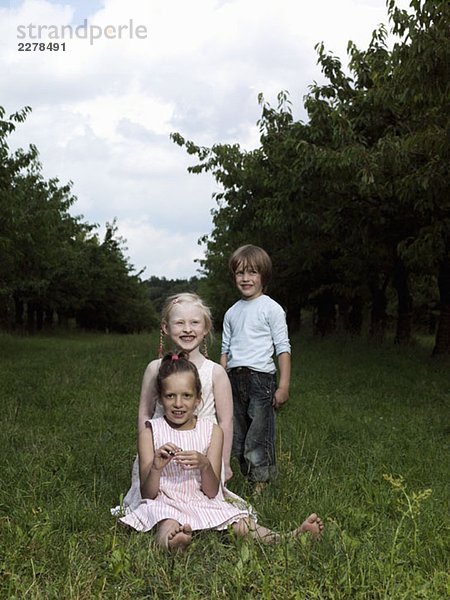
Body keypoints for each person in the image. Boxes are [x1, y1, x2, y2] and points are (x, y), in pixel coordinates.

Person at [119, 353, 323, 551]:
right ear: (160, 399)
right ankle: (172, 542)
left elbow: (211, 491)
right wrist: (156, 467)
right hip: (164, 500)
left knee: (241, 523)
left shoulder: (211, 432)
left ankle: (287, 539)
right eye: (170, 396)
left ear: (198, 399)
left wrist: (205, 464)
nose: (179, 404)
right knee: (166, 521)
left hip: (201, 499)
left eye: (186, 396)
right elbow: (148, 493)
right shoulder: (150, 432)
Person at [113, 293, 233, 515]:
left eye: (195, 323)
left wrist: (224, 461)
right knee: (156, 503)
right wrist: (145, 454)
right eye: (180, 323)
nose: (187, 329)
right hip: (162, 452)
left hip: (204, 451)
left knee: (208, 502)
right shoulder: (154, 368)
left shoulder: (215, 372)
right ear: (165, 328)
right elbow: (144, 413)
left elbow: (225, 420)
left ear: (205, 328)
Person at [220, 245, 291, 490]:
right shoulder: (231, 312)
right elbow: (225, 351)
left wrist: (283, 386)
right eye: (240, 273)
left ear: (263, 275)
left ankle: (261, 484)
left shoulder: (271, 308)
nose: (246, 278)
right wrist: (218, 381)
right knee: (238, 435)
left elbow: (283, 348)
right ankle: (247, 476)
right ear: (234, 277)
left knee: (258, 434)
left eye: (252, 272)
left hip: (261, 380)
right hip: (233, 379)